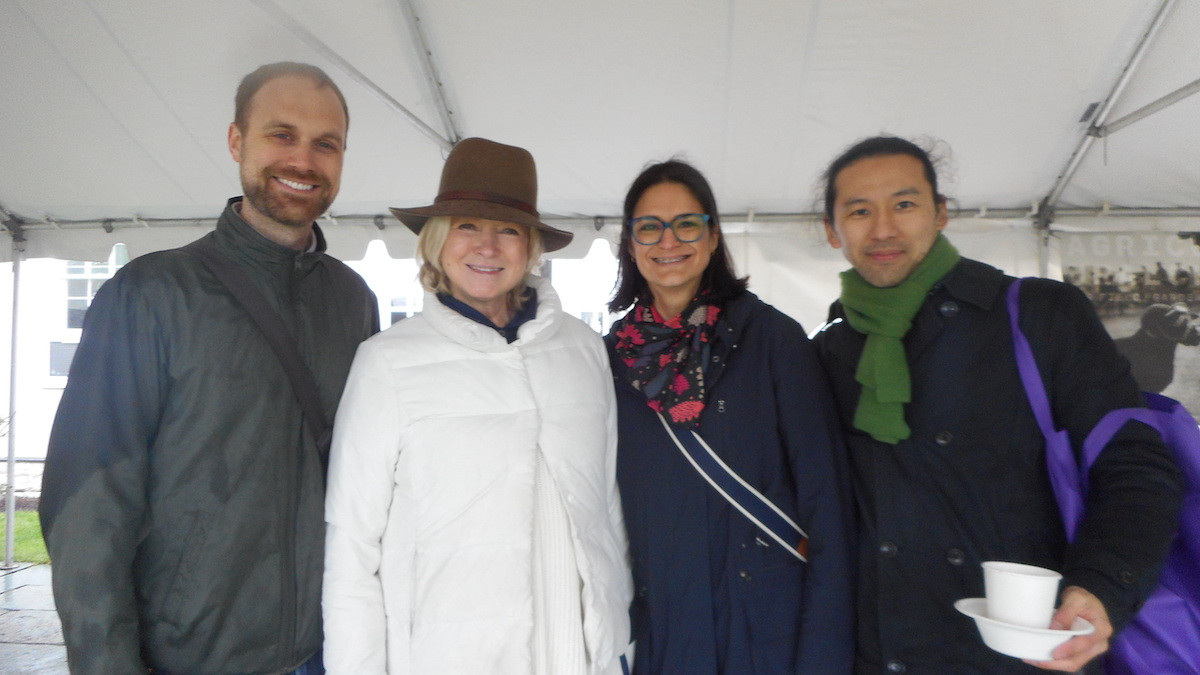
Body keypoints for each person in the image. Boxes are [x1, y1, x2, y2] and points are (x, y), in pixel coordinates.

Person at [39, 62, 380, 674]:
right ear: (235, 141)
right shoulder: (149, 294)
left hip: (328, 651)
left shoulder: (354, 301)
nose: (304, 159)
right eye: (282, 134)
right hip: (191, 657)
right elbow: (88, 505)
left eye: (325, 144)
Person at [811, 135, 1184, 673]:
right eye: (859, 211)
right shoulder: (827, 351)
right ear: (832, 230)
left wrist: (1102, 589)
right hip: (880, 657)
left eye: (905, 204)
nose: (884, 228)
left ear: (940, 214)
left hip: (1027, 653)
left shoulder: (1037, 314)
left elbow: (1138, 468)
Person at [322, 137, 633, 674]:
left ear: (531, 246)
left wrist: (617, 644)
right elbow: (351, 548)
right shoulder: (387, 363)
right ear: (438, 241)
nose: (487, 247)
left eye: (508, 230)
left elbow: (607, 512)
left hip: (576, 656)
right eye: (468, 225)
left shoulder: (583, 350)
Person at [605, 159, 854, 672]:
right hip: (664, 629)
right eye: (649, 227)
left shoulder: (771, 340)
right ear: (630, 244)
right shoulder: (610, 359)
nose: (668, 242)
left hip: (764, 627)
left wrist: (824, 655)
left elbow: (826, 500)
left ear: (713, 236)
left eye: (687, 224)